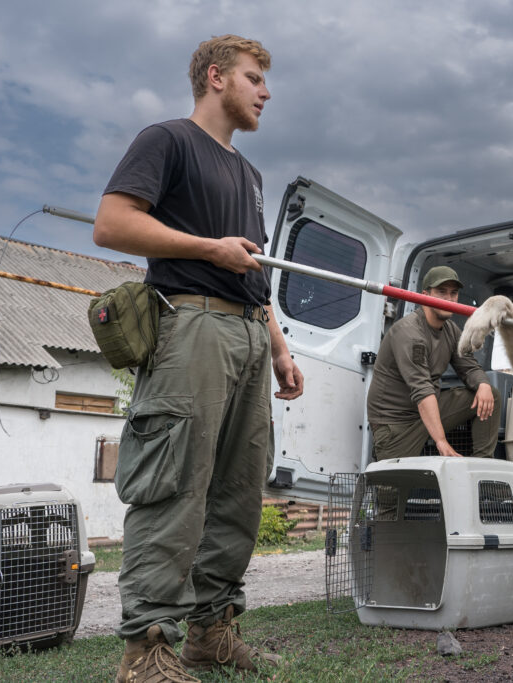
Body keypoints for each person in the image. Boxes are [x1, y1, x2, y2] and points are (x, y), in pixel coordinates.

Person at [93, 34, 303, 682]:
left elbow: (256, 270)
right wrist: (210, 249)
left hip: (246, 333)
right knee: (176, 484)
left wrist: (280, 345)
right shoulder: (167, 141)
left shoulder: (251, 175)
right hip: (191, 326)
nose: (265, 91)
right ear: (215, 77)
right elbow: (112, 222)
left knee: (239, 491)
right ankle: (147, 648)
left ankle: (212, 635)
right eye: (253, 78)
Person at [367, 266, 500, 459]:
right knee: (393, 487)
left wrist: (483, 384)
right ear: (424, 295)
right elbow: (422, 389)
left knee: (490, 396)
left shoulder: (451, 330)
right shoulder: (409, 332)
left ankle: (484, 468)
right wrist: (441, 441)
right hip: (397, 423)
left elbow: (469, 366)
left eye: (453, 293)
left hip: (428, 410)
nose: (449, 299)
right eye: (441, 292)